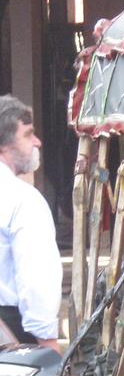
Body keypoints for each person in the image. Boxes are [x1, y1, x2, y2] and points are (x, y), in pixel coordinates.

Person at [0, 95, 62, 353]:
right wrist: (48, 343)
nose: (37, 142)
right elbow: (36, 280)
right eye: (28, 134)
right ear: (3, 145)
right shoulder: (23, 200)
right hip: (13, 340)